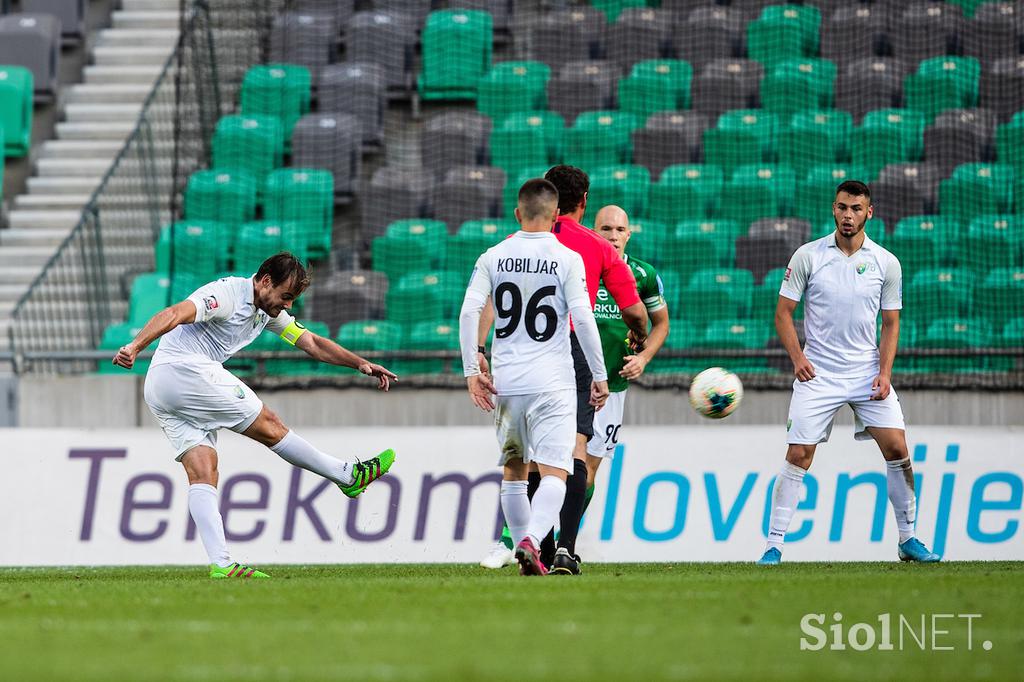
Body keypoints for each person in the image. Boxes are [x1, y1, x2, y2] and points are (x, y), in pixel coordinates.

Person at [112, 253, 398, 579]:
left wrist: (360, 363)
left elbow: (313, 343)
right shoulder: (227, 296)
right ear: (264, 282)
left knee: (203, 470)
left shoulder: (268, 310)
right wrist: (135, 346)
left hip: (161, 389)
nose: (287, 306)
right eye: (286, 296)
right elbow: (176, 313)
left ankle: (222, 565)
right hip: (183, 370)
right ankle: (347, 476)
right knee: (271, 425)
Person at [757, 180, 940, 565]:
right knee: (799, 454)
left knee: (898, 448)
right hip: (817, 373)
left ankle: (908, 539)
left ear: (868, 213)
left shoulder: (886, 262)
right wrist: (797, 358)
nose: (848, 215)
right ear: (833, 209)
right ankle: (773, 545)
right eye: (842, 207)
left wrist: (885, 373)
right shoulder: (808, 255)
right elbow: (783, 314)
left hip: (866, 373)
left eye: (856, 209)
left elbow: (891, 323)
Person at [478, 165, 647, 574]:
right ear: (584, 202)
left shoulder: (514, 245)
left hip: (516, 352)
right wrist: (639, 334)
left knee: (527, 459)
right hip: (569, 350)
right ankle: (564, 550)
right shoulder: (596, 247)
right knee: (573, 453)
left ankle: (535, 544)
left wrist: (479, 350)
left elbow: (486, 301)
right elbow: (632, 309)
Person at [459, 178, 610, 576]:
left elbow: (469, 312)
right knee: (555, 473)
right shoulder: (567, 258)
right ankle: (531, 541)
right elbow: (583, 318)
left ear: (517, 214)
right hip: (553, 383)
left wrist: (473, 370)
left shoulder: (493, 255)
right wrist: (599, 374)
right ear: (557, 215)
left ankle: (527, 547)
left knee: (514, 471)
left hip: (507, 382)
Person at [582, 205, 670, 515]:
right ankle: (526, 537)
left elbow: (661, 324)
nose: (614, 236)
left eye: (620, 230)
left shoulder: (643, 274)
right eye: (606, 229)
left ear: (629, 235)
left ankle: (565, 541)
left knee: (588, 470)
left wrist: (643, 358)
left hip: (613, 386)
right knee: (553, 465)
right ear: (594, 233)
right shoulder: (578, 267)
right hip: (573, 382)